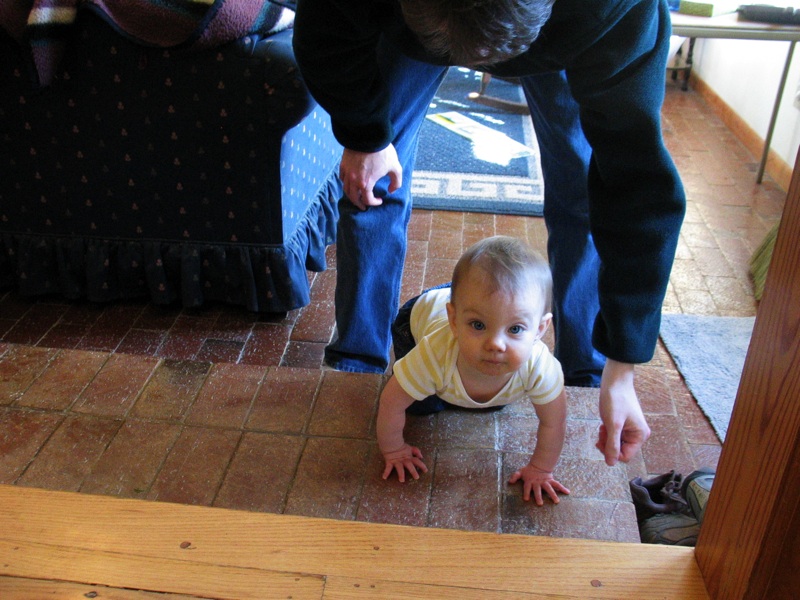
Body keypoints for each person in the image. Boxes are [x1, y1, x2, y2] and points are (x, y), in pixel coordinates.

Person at [292, 0, 686, 466]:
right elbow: (326, 37)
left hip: (572, 26)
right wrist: (365, 136)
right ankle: (357, 361)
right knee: (376, 181)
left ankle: (586, 375)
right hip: (405, 26)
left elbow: (636, 186)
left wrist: (624, 365)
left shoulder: (617, 10)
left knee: (582, 185)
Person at [377, 236, 570, 505]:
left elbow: (554, 421)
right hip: (419, 317)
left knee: (490, 402)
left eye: (515, 329)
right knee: (421, 404)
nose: (495, 344)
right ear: (454, 321)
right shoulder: (435, 353)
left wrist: (541, 469)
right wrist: (394, 449)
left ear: (539, 329)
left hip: (463, 304)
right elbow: (390, 402)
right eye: (479, 326)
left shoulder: (540, 366)